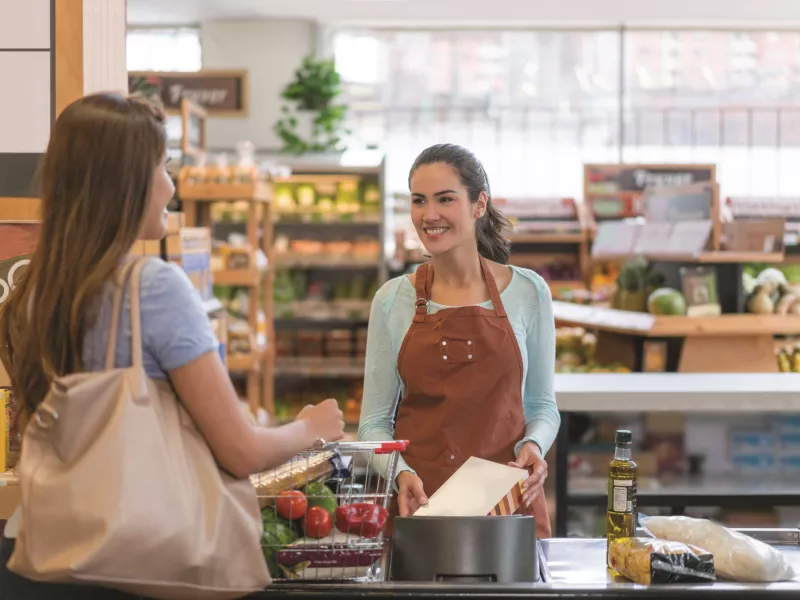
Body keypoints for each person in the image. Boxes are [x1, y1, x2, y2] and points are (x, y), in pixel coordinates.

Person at [0, 93, 345, 598]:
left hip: (50, 550)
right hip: (142, 558)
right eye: (163, 167)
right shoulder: (151, 288)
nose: (172, 185)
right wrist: (309, 428)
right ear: (129, 181)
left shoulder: (30, 293)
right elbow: (242, 451)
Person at [359, 143, 560, 538]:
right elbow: (373, 425)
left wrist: (534, 446)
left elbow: (542, 405)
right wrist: (400, 474)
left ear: (478, 204)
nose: (429, 215)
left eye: (445, 199)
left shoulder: (529, 292)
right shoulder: (391, 300)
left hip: (508, 506)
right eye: (419, 200)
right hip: (422, 505)